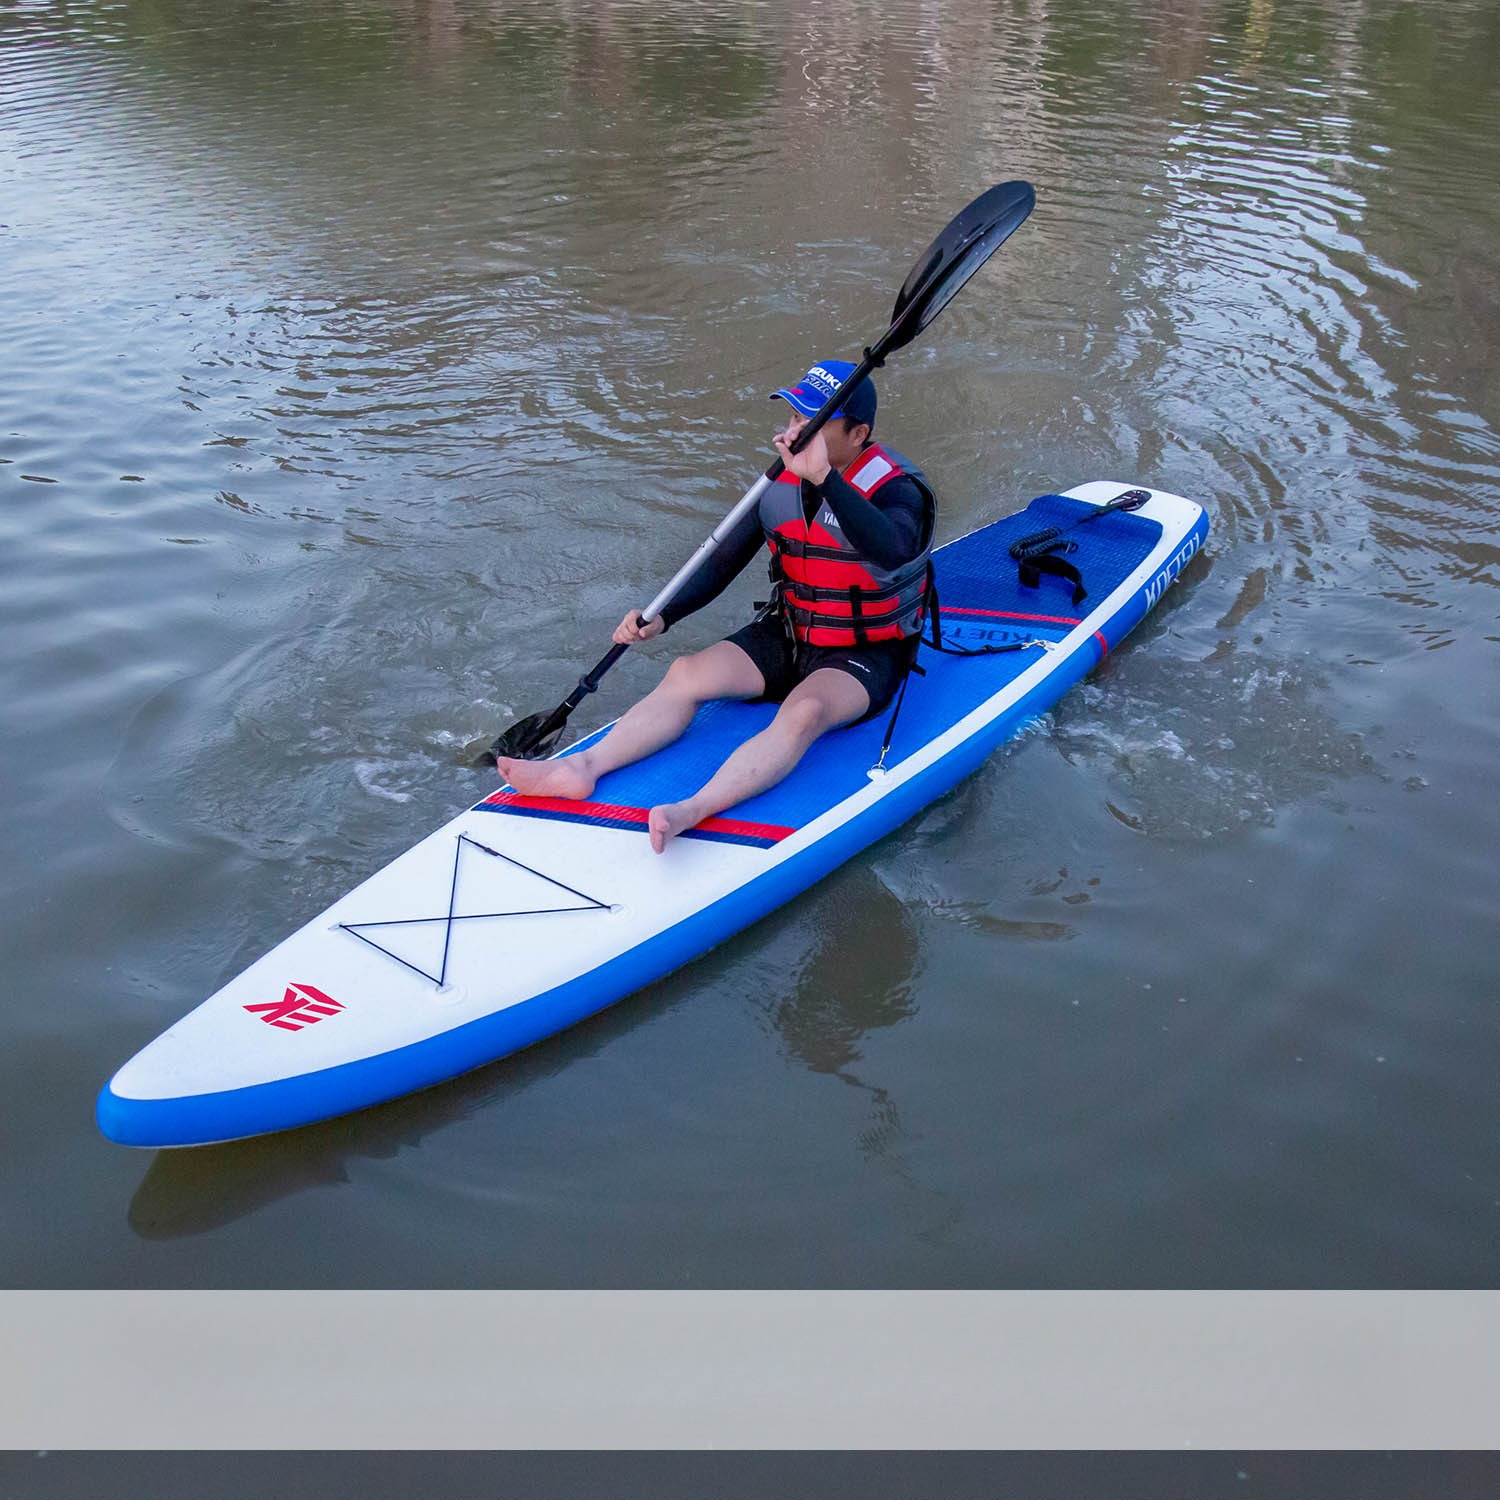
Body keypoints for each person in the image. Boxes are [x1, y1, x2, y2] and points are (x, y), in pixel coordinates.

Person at [496, 359, 936, 852]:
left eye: (814, 423)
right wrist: (664, 615)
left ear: (859, 434)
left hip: (865, 651)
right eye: (794, 419)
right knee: (686, 673)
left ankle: (693, 808)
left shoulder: (899, 489)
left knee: (804, 710)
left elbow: (895, 547)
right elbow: (723, 558)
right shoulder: (780, 485)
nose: (796, 432)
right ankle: (580, 768)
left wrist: (825, 481)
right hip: (789, 632)